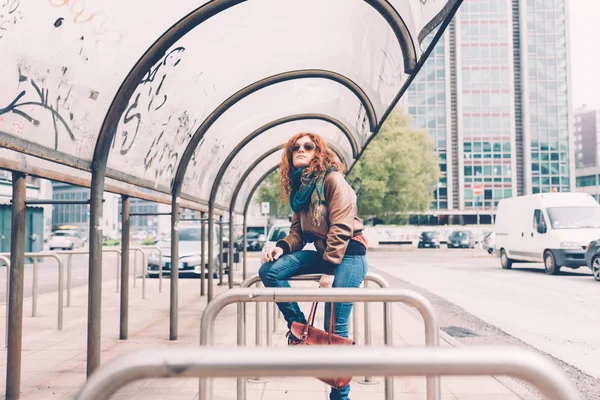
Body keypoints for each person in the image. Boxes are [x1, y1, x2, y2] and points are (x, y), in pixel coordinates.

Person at [259, 132, 368, 400]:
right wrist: (280, 247)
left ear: (319, 152)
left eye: (308, 146)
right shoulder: (300, 192)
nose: (301, 150)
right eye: (295, 147)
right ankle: (298, 327)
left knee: (334, 327)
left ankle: (340, 397)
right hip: (323, 251)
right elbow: (297, 233)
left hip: (349, 254)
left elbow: (341, 228)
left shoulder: (333, 180)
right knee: (270, 271)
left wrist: (329, 272)